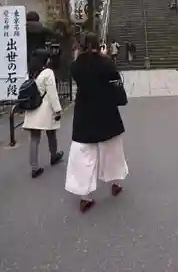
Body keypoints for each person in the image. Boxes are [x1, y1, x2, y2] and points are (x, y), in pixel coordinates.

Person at [65, 32, 128, 213]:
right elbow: (115, 81)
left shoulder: (76, 66)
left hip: (84, 113)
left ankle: (85, 196)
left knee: (84, 154)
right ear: (98, 44)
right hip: (106, 111)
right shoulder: (106, 63)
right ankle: (115, 183)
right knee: (113, 149)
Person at [22, 49, 63, 178]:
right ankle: (54, 155)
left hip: (33, 109)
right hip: (45, 109)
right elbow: (52, 93)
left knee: (34, 139)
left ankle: (34, 167)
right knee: (51, 134)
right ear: (46, 60)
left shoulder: (32, 73)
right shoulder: (47, 73)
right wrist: (57, 109)